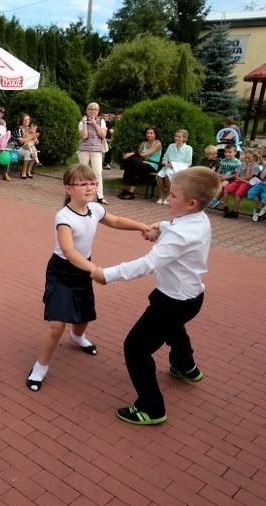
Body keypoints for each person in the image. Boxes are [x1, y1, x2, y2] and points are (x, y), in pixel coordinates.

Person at [91, 167, 219, 425]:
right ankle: (185, 366)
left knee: (136, 348)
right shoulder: (198, 219)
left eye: (173, 195)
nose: (168, 199)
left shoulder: (181, 234)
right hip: (190, 298)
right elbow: (175, 227)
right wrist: (159, 225)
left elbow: (149, 263)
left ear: (191, 203)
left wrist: (107, 274)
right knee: (175, 329)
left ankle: (151, 407)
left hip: (172, 302)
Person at [25, 164, 152, 392]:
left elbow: (115, 221)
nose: (89, 187)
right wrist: (94, 270)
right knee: (56, 325)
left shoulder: (95, 209)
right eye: (82, 184)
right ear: (69, 188)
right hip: (62, 271)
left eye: (92, 182)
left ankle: (77, 337)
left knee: (83, 313)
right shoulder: (64, 216)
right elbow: (69, 251)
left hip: (83, 269)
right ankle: (40, 367)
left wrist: (142, 227)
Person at [118, 127, 162, 199]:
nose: (149, 135)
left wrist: (131, 154)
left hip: (152, 165)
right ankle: (125, 190)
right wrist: (137, 157)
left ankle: (131, 192)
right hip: (142, 162)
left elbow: (146, 154)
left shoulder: (158, 143)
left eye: (151, 133)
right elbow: (140, 154)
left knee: (133, 165)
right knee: (130, 165)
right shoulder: (143, 143)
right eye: (147, 133)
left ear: (155, 134)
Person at [77, 102, 108, 204]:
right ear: (87, 110)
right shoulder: (82, 122)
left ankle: (100, 196)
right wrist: (85, 123)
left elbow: (103, 135)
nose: (92, 111)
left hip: (96, 150)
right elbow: (84, 136)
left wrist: (95, 124)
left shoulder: (101, 121)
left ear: (98, 111)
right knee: (82, 173)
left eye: (95, 110)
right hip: (84, 150)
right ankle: (81, 193)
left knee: (97, 173)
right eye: (90, 109)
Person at [155, 129, 192, 205]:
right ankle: (161, 196)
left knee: (168, 175)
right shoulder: (171, 146)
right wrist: (165, 161)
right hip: (168, 167)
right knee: (159, 176)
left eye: (179, 137)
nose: (176, 138)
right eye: (176, 136)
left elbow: (188, 163)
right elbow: (165, 157)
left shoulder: (188, 149)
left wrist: (173, 164)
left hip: (180, 169)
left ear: (184, 139)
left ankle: (169, 196)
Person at [222, 150, 260, 219]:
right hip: (240, 181)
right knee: (226, 189)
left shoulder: (256, 167)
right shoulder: (242, 164)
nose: (246, 160)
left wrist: (248, 167)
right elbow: (236, 176)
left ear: (254, 158)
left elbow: (248, 177)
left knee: (238, 194)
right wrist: (243, 180)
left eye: (249, 158)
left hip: (246, 184)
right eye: (245, 158)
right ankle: (225, 207)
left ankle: (235, 211)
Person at [210, 144, 240, 208]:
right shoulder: (222, 161)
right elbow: (219, 171)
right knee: (213, 183)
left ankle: (216, 199)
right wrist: (218, 175)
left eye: (229, 152)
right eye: (226, 152)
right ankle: (211, 198)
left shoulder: (237, 163)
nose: (227, 154)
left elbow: (236, 174)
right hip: (222, 176)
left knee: (221, 185)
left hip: (231, 178)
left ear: (235, 153)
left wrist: (226, 177)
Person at [13, 114, 38, 179]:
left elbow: (36, 142)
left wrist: (35, 137)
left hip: (26, 146)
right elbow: (21, 141)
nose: (27, 121)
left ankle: (28, 171)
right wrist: (32, 137)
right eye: (25, 120)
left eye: (28, 119)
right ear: (22, 121)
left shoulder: (30, 129)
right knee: (28, 153)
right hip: (17, 147)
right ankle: (23, 172)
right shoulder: (18, 129)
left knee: (34, 153)